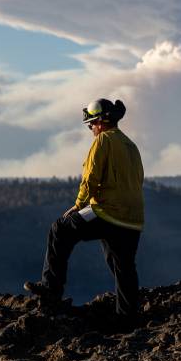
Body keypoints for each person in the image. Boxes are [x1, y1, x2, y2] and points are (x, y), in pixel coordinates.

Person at [24, 98, 144, 326]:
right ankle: (128, 319)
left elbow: (90, 178)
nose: (90, 129)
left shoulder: (102, 142)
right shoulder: (131, 145)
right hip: (133, 219)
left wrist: (78, 205)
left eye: (91, 124)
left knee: (60, 228)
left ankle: (51, 289)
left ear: (100, 122)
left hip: (107, 211)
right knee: (124, 266)